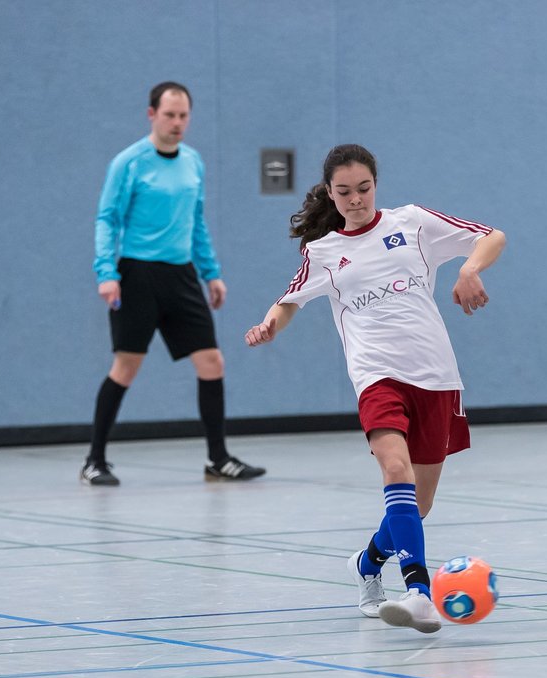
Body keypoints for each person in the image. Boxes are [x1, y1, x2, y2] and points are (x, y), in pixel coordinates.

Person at [246, 144, 506, 632]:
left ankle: (367, 563)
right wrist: (269, 325)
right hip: (376, 376)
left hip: (435, 375)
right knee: (394, 467)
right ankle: (418, 591)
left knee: (419, 504)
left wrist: (470, 269)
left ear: (376, 185)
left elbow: (492, 236)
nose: (356, 199)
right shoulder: (322, 252)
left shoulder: (412, 222)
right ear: (330, 193)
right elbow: (289, 301)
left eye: (364, 189)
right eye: (344, 192)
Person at [83, 81, 265, 486]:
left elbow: (196, 221)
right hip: (137, 274)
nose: (177, 122)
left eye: (183, 115)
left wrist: (211, 272)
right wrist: (106, 274)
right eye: (169, 115)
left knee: (211, 361)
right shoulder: (128, 162)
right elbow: (106, 219)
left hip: (182, 275)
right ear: (152, 115)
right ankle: (94, 460)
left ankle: (218, 459)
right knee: (126, 367)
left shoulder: (193, 162)